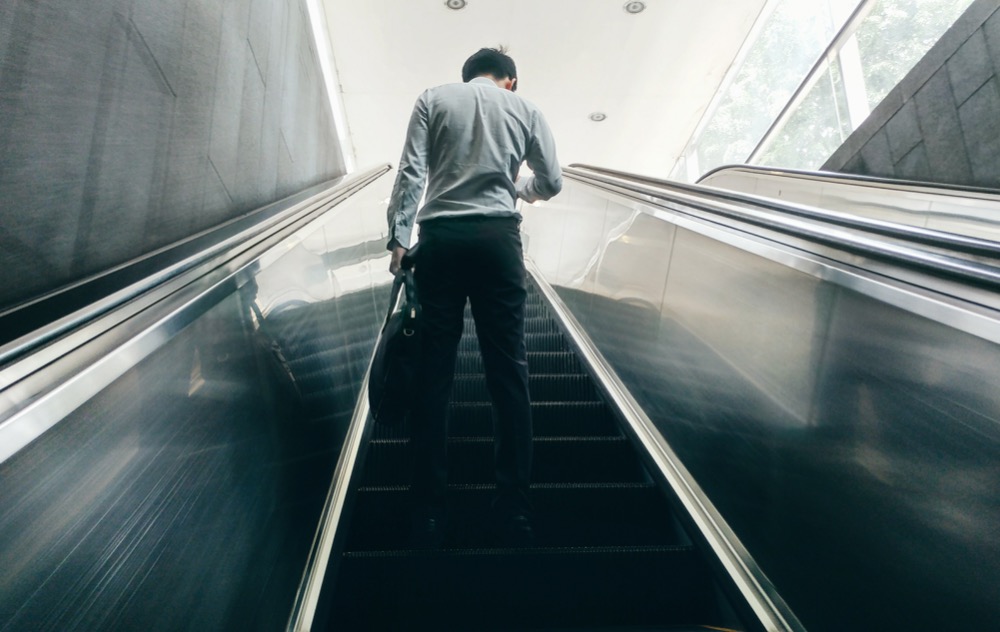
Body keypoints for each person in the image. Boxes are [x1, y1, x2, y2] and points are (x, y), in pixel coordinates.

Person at [385, 47, 562, 548]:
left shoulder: (433, 99)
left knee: (434, 375)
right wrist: (519, 189)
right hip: (497, 240)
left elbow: (412, 172)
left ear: (468, 76)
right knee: (508, 371)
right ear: (510, 80)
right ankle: (514, 510)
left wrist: (399, 239)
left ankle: (430, 513)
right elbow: (552, 180)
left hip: (439, 240)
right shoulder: (524, 109)